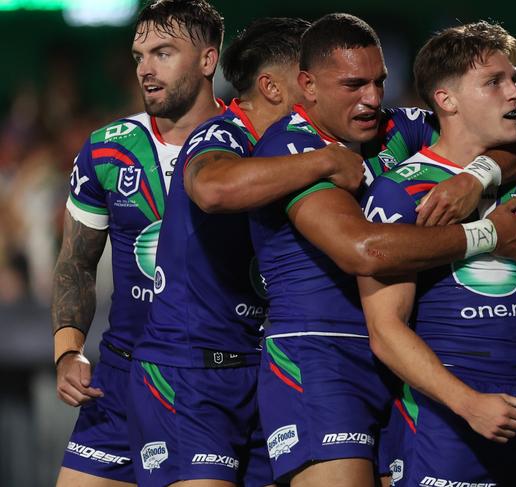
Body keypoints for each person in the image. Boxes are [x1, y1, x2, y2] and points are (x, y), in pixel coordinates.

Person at [247, 13, 516, 487]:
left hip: (399, 361)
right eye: (354, 85)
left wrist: (476, 177)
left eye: (379, 82)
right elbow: (363, 252)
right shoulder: (291, 148)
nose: (372, 99)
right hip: (320, 359)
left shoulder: (396, 127)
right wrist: (488, 235)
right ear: (307, 85)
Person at [358, 21, 516, 486]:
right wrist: (468, 403)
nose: (514, 93)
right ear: (446, 100)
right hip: (447, 415)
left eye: (513, 78)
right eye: (493, 82)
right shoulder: (401, 192)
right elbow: (385, 330)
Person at [127, 17, 364, 487]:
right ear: (274, 87)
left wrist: (483, 170)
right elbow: (214, 189)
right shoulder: (224, 135)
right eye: (310, 81)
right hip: (191, 372)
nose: (323, 94)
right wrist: (324, 160)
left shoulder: (317, 141)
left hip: (260, 370)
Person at [51, 1, 226, 485]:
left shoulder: (253, 144)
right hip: (121, 380)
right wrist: (68, 351)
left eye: (164, 53)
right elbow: (75, 264)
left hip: (211, 379)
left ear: (208, 60)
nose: (145, 69)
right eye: (139, 55)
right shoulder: (107, 149)